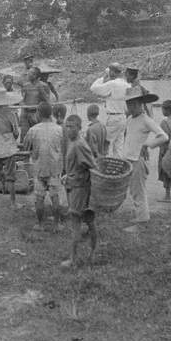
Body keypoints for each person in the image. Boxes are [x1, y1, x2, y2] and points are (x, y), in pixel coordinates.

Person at [123, 87, 168, 223]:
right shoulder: (130, 119)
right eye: (129, 105)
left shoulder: (145, 119)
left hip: (139, 160)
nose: (132, 108)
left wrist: (148, 145)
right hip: (130, 159)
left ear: (141, 104)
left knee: (139, 190)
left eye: (135, 105)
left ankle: (142, 219)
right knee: (134, 190)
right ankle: (139, 215)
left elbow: (163, 136)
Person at [60, 115, 98, 268]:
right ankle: (92, 253)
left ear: (79, 128)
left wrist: (76, 176)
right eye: (67, 126)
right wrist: (68, 175)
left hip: (80, 188)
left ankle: (73, 259)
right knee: (89, 220)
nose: (69, 130)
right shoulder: (73, 142)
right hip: (76, 185)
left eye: (72, 127)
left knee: (77, 222)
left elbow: (92, 165)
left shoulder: (79, 145)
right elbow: (75, 165)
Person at [23, 101, 64, 231]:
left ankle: (40, 224)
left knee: (39, 197)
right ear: (50, 113)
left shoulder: (33, 130)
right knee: (55, 196)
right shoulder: (59, 129)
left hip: (39, 167)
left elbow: (26, 146)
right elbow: (62, 148)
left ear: (38, 114)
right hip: (54, 167)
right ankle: (57, 225)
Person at [90, 63, 131, 158]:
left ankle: (102, 166)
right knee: (118, 148)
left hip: (114, 118)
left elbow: (93, 88)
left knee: (105, 144)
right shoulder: (126, 84)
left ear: (112, 72)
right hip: (123, 117)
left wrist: (103, 78)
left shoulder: (112, 84)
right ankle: (119, 169)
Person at [16, 66, 51, 143]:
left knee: (39, 137)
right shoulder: (25, 86)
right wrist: (24, 106)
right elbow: (21, 99)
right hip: (26, 114)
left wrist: (41, 92)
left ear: (35, 76)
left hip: (38, 114)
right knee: (24, 137)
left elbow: (47, 102)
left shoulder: (44, 86)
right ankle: (25, 153)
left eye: (29, 73)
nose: (27, 75)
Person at [52, 103, 68, 173]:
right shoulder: (67, 128)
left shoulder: (56, 128)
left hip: (58, 164)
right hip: (65, 164)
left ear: (58, 115)